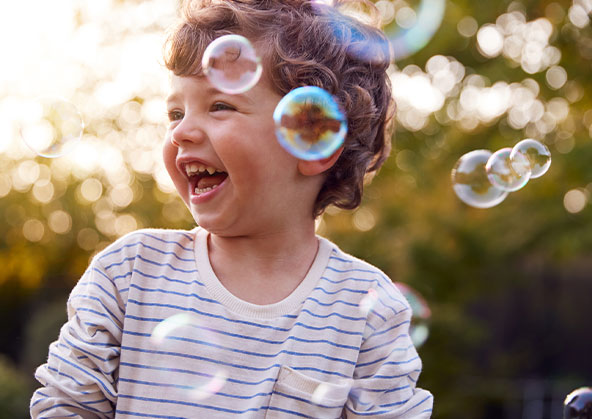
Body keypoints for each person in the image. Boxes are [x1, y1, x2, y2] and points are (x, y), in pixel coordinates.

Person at [30, 0, 433, 417]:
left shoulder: (368, 313)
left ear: (315, 138)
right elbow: (65, 406)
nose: (182, 132)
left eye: (220, 105)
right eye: (175, 112)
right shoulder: (129, 274)